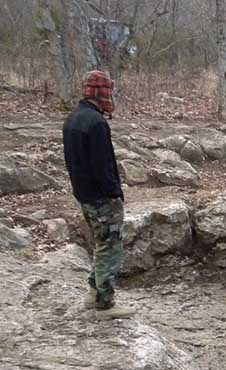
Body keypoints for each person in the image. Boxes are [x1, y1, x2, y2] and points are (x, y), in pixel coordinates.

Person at [63, 70, 135, 320]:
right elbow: (103, 165)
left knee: (100, 243)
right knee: (109, 246)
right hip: (101, 197)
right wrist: (114, 193)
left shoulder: (73, 118)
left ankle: (93, 292)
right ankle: (105, 303)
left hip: (84, 194)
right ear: (102, 92)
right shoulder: (96, 123)